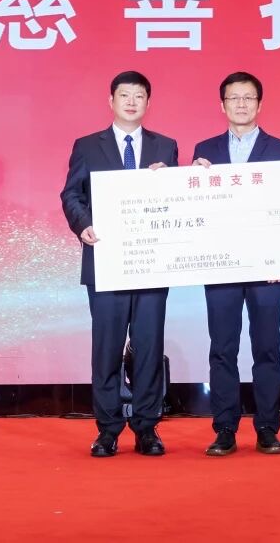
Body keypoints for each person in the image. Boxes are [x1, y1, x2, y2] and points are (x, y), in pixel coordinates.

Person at [60, 71, 179, 458]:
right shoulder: (87, 145)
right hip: (106, 262)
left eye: (139, 95)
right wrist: (83, 224)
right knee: (106, 350)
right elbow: (71, 194)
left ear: (148, 102)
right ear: (111, 101)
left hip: (151, 265)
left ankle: (146, 428)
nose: (131, 101)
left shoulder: (166, 146)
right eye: (124, 95)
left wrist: (172, 181)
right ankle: (108, 429)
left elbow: (177, 202)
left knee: (148, 349)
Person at [190, 71, 280, 457]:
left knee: (267, 347)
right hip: (220, 265)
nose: (241, 104)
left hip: (268, 267)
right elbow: (194, 207)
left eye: (248, 97)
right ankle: (225, 429)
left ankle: (267, 428)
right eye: (233, 98)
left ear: (259, 104)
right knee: (223, 348)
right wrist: (191, 180)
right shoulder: (205, 151)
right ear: (222, 105)